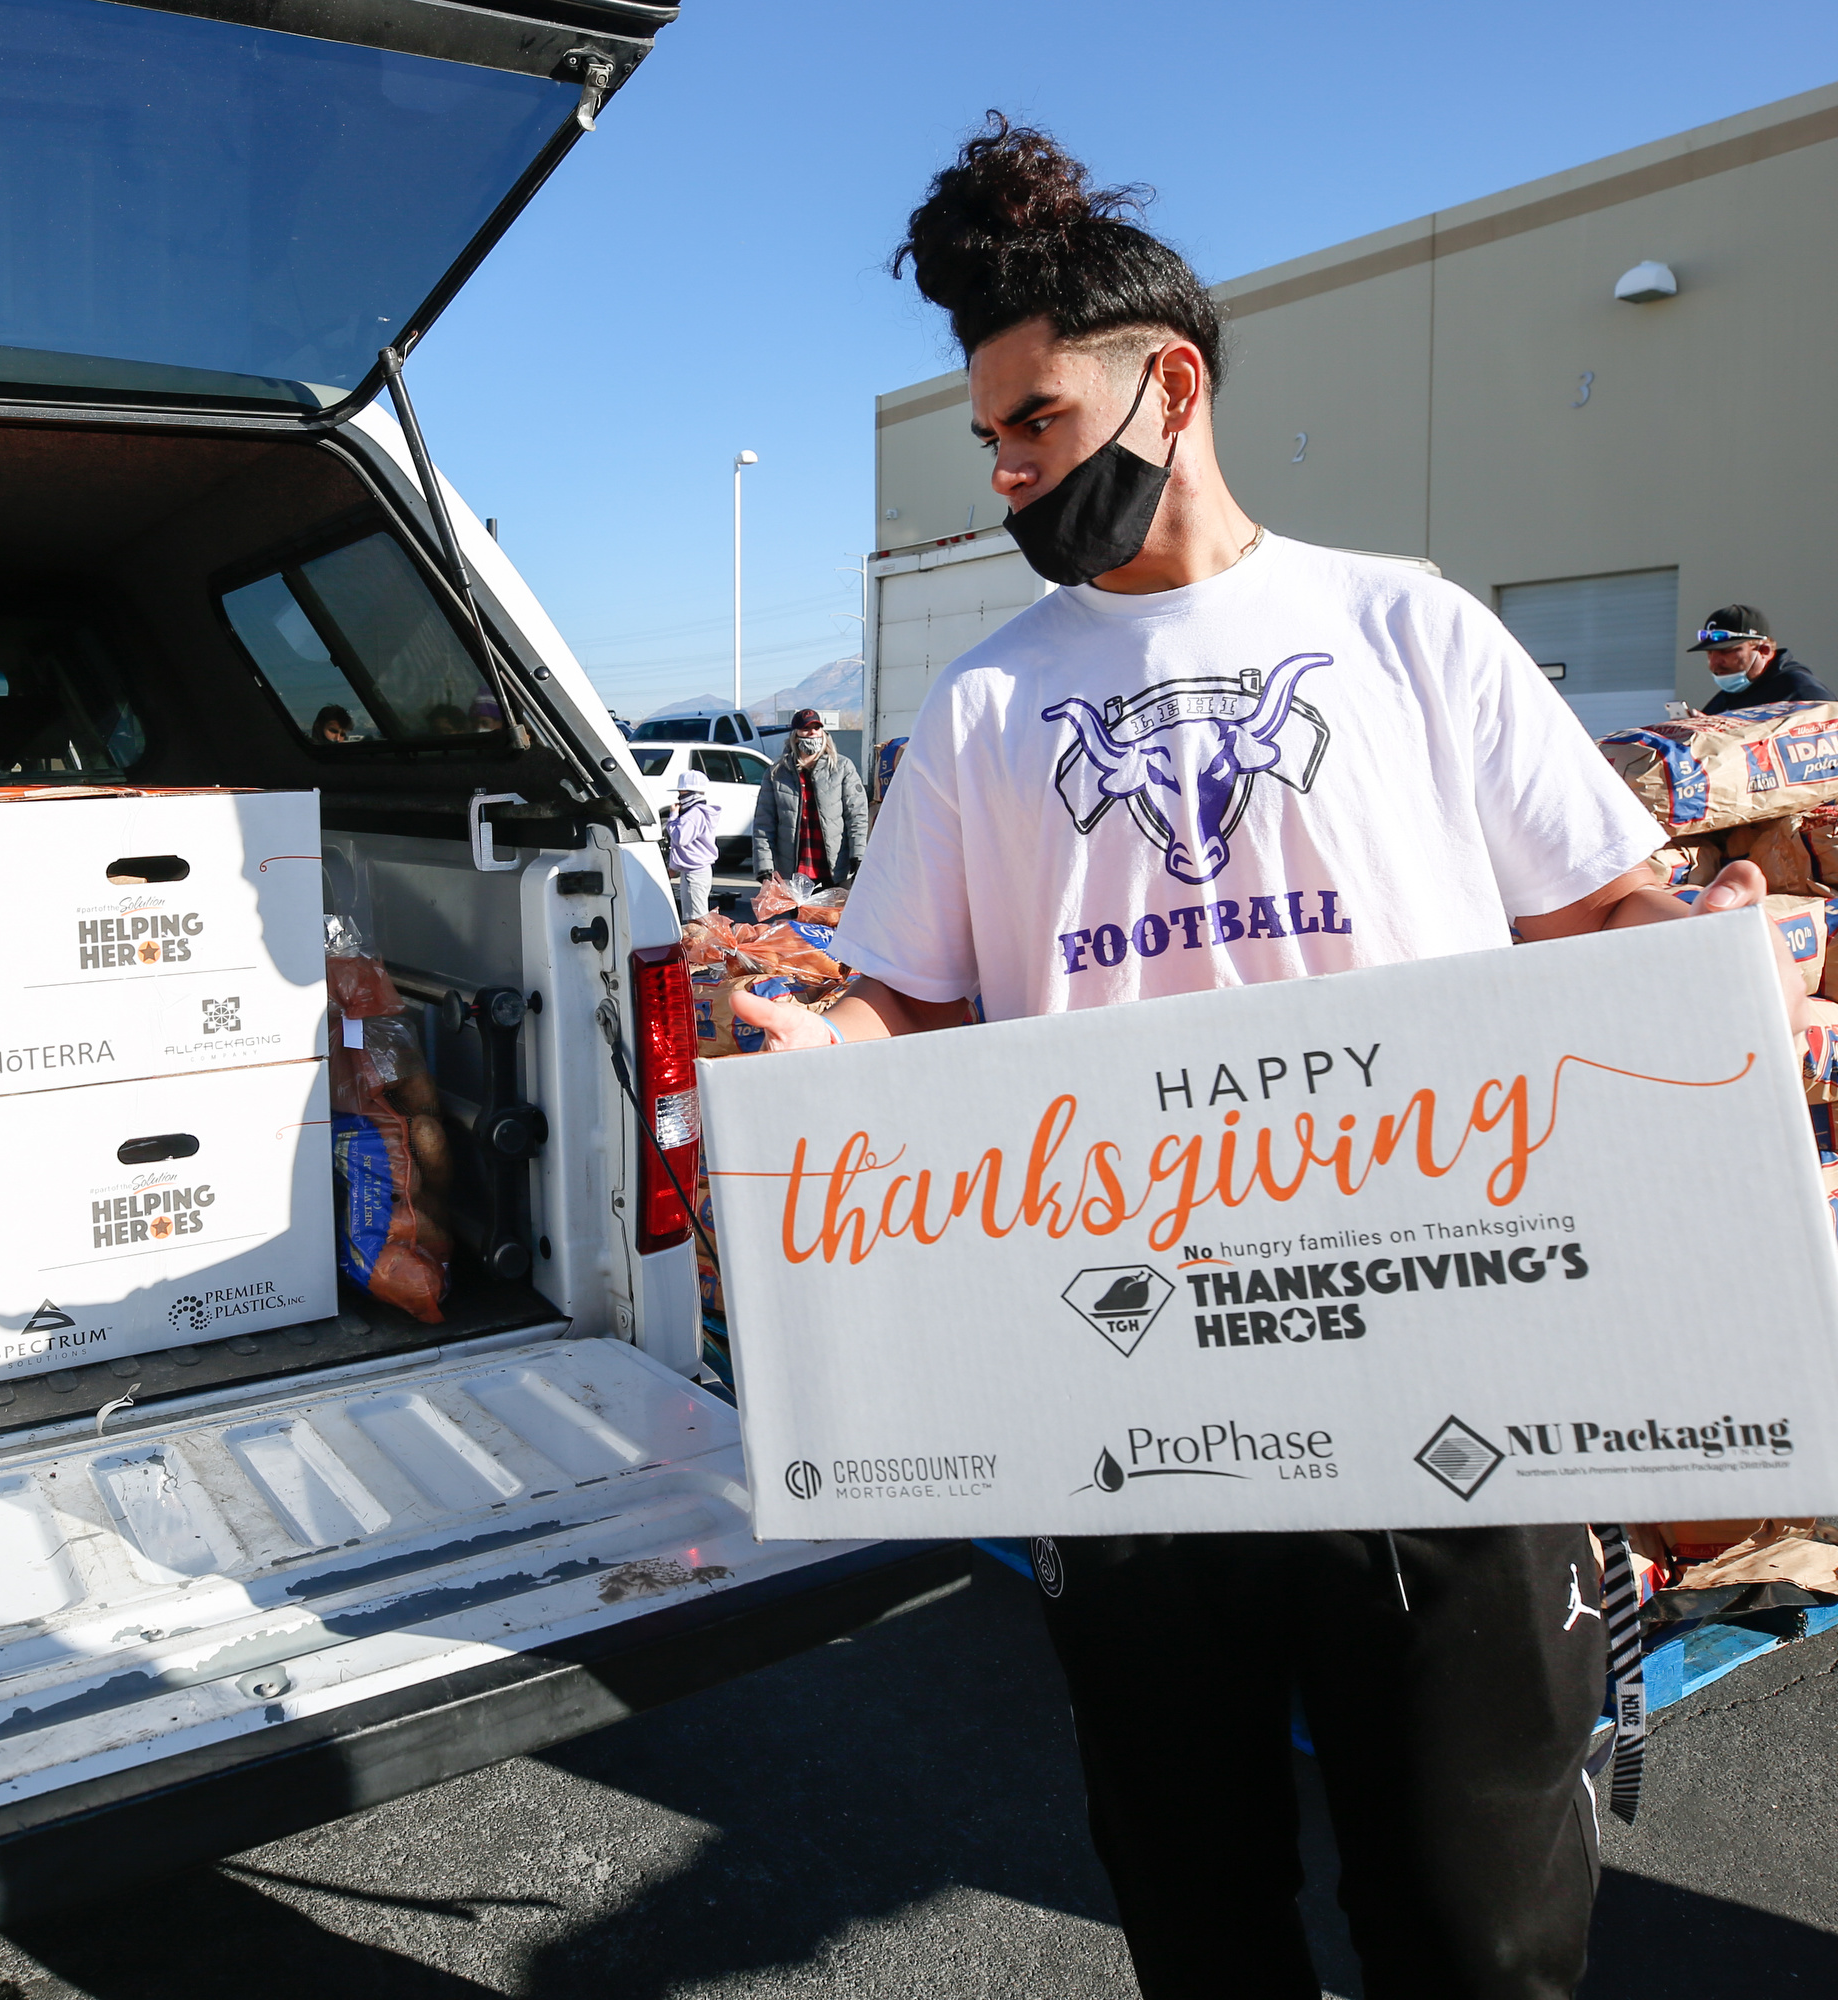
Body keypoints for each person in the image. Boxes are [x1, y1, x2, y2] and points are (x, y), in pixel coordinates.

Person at [728, 115, 1779, 2000]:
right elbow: (910, 996)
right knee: (1200, 1913)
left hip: (1450, 1375)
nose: (1006, 475)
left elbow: (1605, 919)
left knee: (1477, 1926)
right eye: (990, 440)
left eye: (1035, 425)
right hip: (1129, 1390)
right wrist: (829, 1041)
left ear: (1171, 390)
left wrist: (1709, 983)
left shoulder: (1406, 629)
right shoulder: (985, 704)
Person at [751, 707, 868, 897]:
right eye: (806, 729)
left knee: (836, 925)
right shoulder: (776, 773)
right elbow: (764, 825)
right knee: (797, 927)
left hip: (836, 871)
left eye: (816, 728)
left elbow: (857, 816)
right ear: (795, 736)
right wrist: (765, 867)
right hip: (794, 875)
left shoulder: (842, 767)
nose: (812, 733)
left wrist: (859, 855)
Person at [1691, 604, 1831, 713]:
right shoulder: (1725, 698)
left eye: (1726, 651)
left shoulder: (1799, 691)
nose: (1715, 663)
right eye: (1709, 653)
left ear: (1764, 650)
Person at [662, 771, 719, 923]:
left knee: (696, 920)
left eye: (682, 792)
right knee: (696, 916)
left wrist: (673, 817)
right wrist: (673, 868)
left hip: (694, 874)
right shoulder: (699, 813)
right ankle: (702, 945)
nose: (680, 796)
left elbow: (680, 838)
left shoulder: (694, 814)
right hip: (697, 871)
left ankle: (702, 946)